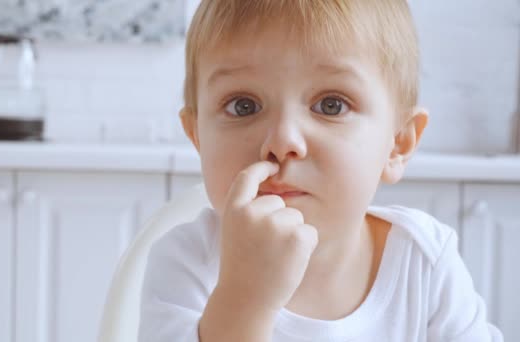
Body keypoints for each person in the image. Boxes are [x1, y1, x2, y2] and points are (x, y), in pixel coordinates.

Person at [139, 0, 503, 340]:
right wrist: (244, 298)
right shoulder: (185, 262)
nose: (282, 141)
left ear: (398, 144)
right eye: (243, 105)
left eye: (330, 105)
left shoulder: (425, 261)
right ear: (197, 135)